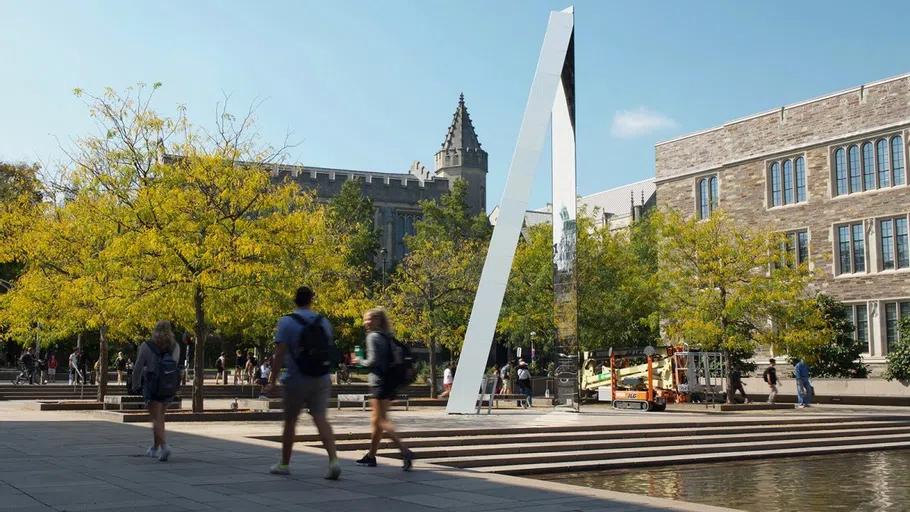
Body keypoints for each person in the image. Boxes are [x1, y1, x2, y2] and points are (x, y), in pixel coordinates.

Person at [265, 286, 340, 479]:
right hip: (321, 378)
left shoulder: (287, 322)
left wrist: (272, 381)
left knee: (290, 421)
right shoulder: (324, 322)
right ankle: (333, 461)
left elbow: (279, 354)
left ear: (294, 300)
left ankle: (284, 463)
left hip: (296, 379)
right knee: (320, 418)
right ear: (311, 300)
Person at [353, 307, 414, 471]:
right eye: (365, 319)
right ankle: (371, 456)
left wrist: (359, 361)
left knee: (380, 420)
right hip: (389, 383)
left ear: (378, 320)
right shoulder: (387, 337)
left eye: (369, 319)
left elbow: (373, 361)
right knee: (377, 421)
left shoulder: (373, 337)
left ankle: (404, 450)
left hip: (378, 383)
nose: (366, 322)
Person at [132, 320, 180, 462]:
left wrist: (135, 385)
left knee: (155, 418)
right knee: (161, 417)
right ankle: (154, 447)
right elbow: (174, 364)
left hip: (152, 385)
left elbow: (138, 367)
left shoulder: (147, 346)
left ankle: (164, 447)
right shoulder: (175, 346)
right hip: (168, 385)